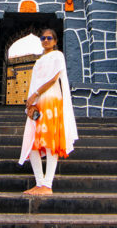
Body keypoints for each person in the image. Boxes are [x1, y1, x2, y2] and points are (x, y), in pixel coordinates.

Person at [18, 28, 78, 195]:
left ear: (55, 41)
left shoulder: (57, 56)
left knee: (51, 143)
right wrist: (30, 102)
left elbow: (52, 79)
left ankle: (48, 185)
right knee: (33, 144)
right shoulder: (38, 61)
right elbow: (34, 83)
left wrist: (35, 94)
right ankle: (39, 183)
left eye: (49, 38)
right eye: (43, 38)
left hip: (51, 101)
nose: (46, 40)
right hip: (38, 103)